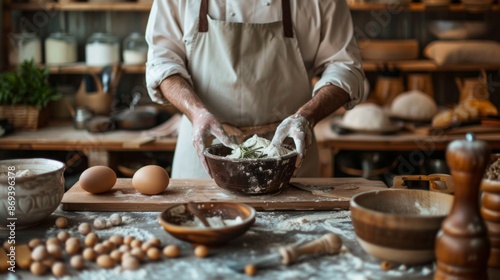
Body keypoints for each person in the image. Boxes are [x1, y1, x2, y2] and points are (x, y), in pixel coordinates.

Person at [145, 0, 366, 178]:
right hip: (204, 155)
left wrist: (306, 117)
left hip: (290, 158)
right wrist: (196, 112)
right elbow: (162, 63)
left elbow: (345, 67)